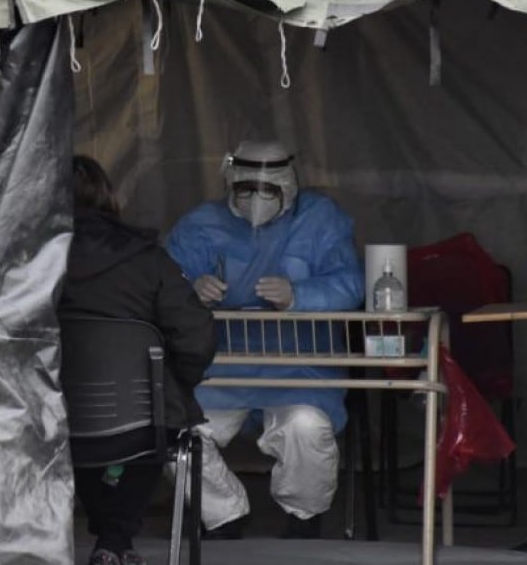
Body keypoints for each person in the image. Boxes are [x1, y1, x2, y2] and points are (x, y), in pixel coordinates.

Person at [165, 140, 364, 539]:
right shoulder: (202, 225)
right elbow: (161, 281)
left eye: (269, 190)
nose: (256, 199)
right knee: (175, 435)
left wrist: (299, 297)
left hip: (299, 366)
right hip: (221, 368)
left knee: (305, 427)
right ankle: (224, 513)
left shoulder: (320, 220)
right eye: (245, 189)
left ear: (289, 185)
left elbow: (351, 284)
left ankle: (304, 517)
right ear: (229, 184)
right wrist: (191, 288)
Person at [59, 156, 217, 565]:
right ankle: (113, 540)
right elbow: (196, 335)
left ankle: (108, 538)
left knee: (82, 440)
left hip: (45, 418)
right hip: (136, 423)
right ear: (109, 197)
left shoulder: (24, 262)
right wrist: (176, 386)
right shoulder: (148, 259)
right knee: (156, 423)